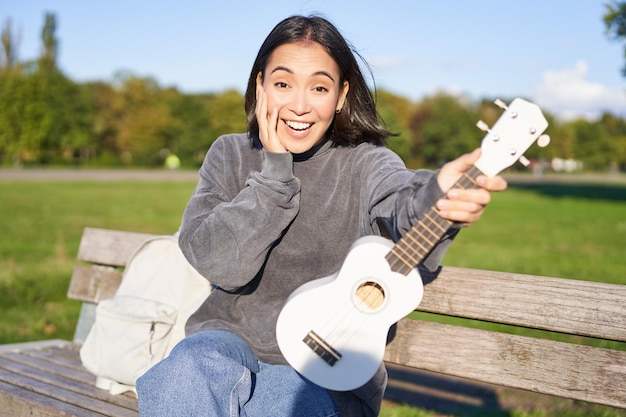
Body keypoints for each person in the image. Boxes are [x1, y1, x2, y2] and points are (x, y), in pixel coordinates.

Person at [136, 14, 507, 417]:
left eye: (319, 87)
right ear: (259, 86)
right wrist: (274, 175)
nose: (299, 105)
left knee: (280, 405)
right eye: (282, 84)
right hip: (227, 344)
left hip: (326, 371)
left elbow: (401, 200)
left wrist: (437, 195)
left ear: (342, 94)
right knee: (183, 372)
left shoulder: (366, 164)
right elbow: (218, 263)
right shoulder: (229, 154)